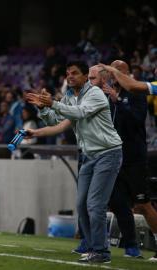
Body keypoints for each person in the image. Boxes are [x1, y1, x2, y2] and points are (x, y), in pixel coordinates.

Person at [26, 61, 122, 263]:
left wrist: (53, 103)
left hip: (108, 153)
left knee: (95, 204)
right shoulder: (70, 96)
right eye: (68, 73)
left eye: (75, 73)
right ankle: (90, 245)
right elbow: (55, 120)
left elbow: (80, 113)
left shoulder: (95, 94)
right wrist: (44, 108)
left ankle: (102, 252)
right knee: (81, 204)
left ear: (86, 76)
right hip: (88, 156)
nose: (70, 77)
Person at [98, 62, 157, 262]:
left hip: (134, 157)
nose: (115, 74)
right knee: (118, 203)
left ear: (127, 73)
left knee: (143, 204)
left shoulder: (135, 92)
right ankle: (131, 246)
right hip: (115, 157)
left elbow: (137, 119)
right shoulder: (107, 93)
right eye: (113, 71)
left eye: (120, 71)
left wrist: (118, 101)